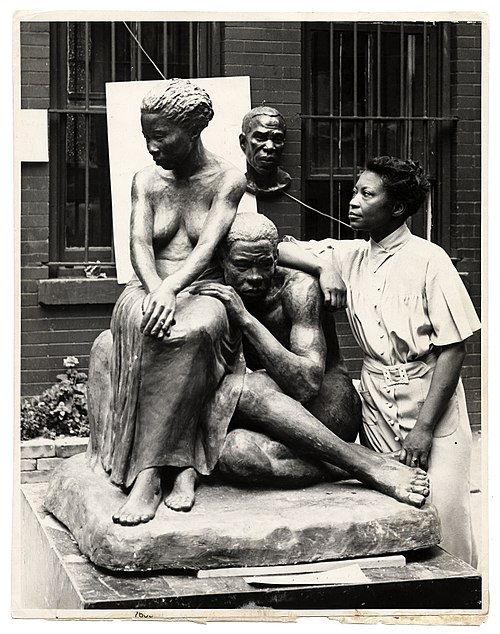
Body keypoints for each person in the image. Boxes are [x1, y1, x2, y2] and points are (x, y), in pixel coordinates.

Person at [278, 156, 481, 566]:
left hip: (431, 403)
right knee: (392, 514)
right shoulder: (349, 255)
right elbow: (273, 247)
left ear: (398, 208)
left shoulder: (430, 259)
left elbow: (454, 349)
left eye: (367, 194)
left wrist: (424, 429)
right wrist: (322, 266)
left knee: (445, 517)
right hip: (376, 403)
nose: (353, 201)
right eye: (355, 190)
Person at [87, 78, 247, 526]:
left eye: (161, 137)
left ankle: (154, 473)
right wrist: (158, 286)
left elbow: (208, 247)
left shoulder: (228, 179)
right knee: (145, 323)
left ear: (193, 131)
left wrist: (174, 288)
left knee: (190, 332)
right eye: (146, 137)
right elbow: (138, 243)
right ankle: (173, 470)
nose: (152, 147)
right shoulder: (145, 180)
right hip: (147, 285)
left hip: (204, 289)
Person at [190, 212, 430, 507]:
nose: (254, 277)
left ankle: (369, 468)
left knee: (244, 388)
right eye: (242, 266)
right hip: (268, 410)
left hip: (327, 407)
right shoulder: (212, 287)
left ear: (276, 259)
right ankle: (359, 461)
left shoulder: (298, 290)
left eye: (265, 265)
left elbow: (306, 383)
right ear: (221, 260)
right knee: (235, 454)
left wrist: (246, 320)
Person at [239, 106, 291, 197]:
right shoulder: (235, 183)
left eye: (277, 139)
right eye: (261, 138)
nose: (270, 147)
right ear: (243, 142)